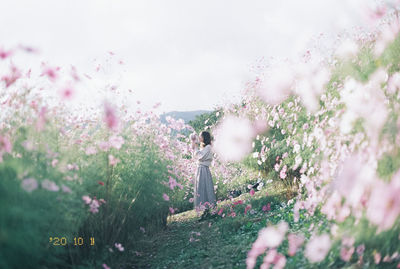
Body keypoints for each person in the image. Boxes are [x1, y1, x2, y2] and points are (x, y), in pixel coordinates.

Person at [191, 131, 217, 220]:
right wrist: (195, 145)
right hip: (201, 169)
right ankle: (205, 211)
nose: (199, 137)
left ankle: (210, 210)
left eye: (200, 136)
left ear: (204, 137)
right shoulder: (205, 147)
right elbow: (196, 155)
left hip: (203, 169)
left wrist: (196, 147)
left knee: (205, 189)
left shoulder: (208, 147)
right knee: (201, 189)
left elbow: (200, 156)